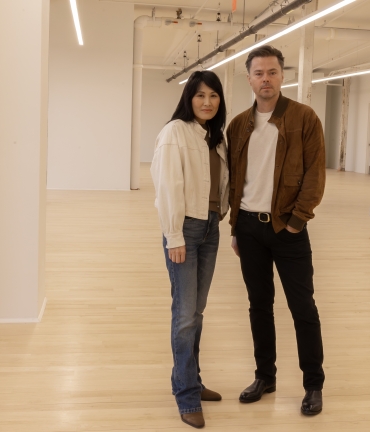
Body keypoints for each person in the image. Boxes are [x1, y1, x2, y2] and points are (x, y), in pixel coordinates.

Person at [226, 45, 326, 416]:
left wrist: (298, 221)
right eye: (258, 73)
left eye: (272, 72)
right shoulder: (239, 125)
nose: (265, 79)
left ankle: (313, 384)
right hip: (250, 229)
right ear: (249, 78)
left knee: (303, 307)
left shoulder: (304, 118)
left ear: (283, 76)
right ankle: (264, 376)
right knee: (259, 306)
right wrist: (236, 226)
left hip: (288, 228)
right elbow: (236, 181)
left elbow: (315, 175)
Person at [150, 70, 229, 429]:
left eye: (213, 96)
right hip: (185, 228)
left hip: (210, 226)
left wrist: (222, 212)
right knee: (184, 316)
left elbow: (220, 182)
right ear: (188, 98)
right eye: (200, 96)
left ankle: (192, 380)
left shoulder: (215, 137)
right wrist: (174, 236)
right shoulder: (174, 133)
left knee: (197, 312)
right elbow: (167, 187)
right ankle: (185, 395)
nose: (207, 102)